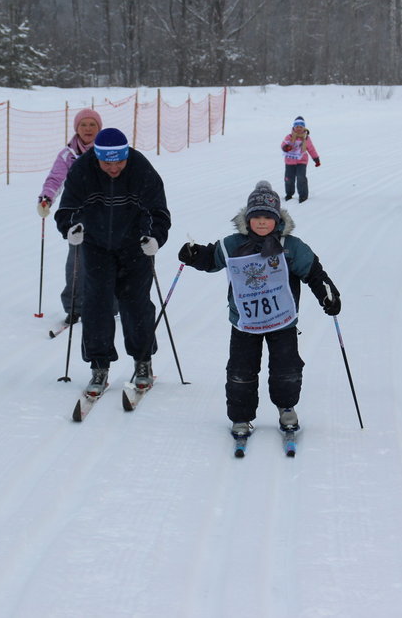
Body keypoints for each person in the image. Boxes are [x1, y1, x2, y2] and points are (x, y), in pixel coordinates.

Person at [177, 180, 341, 440]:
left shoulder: (291, 246)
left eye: (268, 217)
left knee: (286, 369)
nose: (262, 222)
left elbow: (313, 272)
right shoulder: (233, 244)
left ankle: (287, 408)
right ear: (248, 218)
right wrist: (194, 254)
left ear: (277, 219)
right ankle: (241, 417)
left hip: (282, 321)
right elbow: (212, 258)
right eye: (257, 217)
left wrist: (328, 295)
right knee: (241, 371)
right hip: (245, 323)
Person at [55, 128, 171, 397]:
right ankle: (99, 365)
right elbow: (67, 208)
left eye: (119, 161)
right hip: (96, 246)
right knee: (96, 303)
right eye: (107, 162)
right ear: (97, 157)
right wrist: (71, 228)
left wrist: (154, 237)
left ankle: (143, 362)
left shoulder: (141, 168)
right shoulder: (83, 170)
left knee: (136, 303)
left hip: (135, 245)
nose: (114, 167)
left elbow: (158, 210)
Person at [37, 108, 103, 324]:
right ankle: (75, 307)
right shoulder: (68, 155)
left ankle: (110, 305)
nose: (88, 129)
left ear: (99, 128)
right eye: (83, 125)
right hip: (79, 214)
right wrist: (46, 197)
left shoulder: (107, 149)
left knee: (109, 260)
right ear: (76, 128)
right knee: (77, 262)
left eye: (92, 124)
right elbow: (56, 178)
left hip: (107, 212)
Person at [281, 116, 320, 203]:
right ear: (294, 127)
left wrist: (316, 159)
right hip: (289, 161)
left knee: (301, 177)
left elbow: (311, 149)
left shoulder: (306, 138)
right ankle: (289, 194)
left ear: (304, 127)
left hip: (301, 161)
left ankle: (303, 196)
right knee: (289, 179)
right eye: (297, 126)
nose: (299, 129)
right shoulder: (289, 137)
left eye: (301, 127)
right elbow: (283, 145)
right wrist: (286, 147)